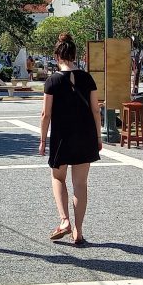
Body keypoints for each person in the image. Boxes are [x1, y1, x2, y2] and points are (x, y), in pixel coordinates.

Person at [39, 33, 101, 246]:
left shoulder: (52, 81)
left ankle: (64, 220)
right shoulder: (87, 78)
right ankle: (78, 231)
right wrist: (98, 136)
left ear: (57, 56)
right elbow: (96, 110)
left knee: (58, 178)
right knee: (81, 184)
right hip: (85, 135)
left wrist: (42, 140)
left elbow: (45, 114)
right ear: (75, 55)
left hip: (61, 137)